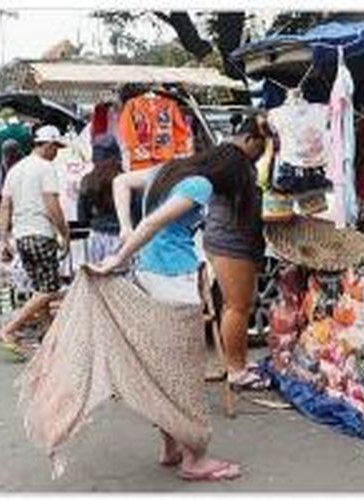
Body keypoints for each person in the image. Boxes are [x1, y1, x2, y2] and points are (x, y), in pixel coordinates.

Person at [86, 116, 267, 481]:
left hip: (149, 273)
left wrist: (124, 229)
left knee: (162, 368)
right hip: (173, 277)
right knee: (183, 371)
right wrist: (118, 255)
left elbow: (121, 181)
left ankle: (170, 447)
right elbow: (153, 224)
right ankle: (195, 459)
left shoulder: (169, 169)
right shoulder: (200, 184)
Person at [203, 115, 272, 390]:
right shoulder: (233, 160)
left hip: (225, 238)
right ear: (249, 139)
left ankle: (236, 362)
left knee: (235, 306)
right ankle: (236, 370)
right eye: (259, 147)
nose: (259, 154)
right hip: (230, 241)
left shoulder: (226, 156)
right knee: (237, 307)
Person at [0, 125, 70, 355]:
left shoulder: (15, 170)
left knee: (40, 288)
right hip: (40, 234)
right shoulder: (46, 168)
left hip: (22, 237)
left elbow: (5, 205)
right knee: (50, 289)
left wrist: (4, 238)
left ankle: (49, 337)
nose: (56, 152)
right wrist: (64, 233)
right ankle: (10, 328)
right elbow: (51, 204)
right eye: (55, 147)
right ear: (47, 144)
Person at [77, 134, 123, 263]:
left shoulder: (87, 181)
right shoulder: (125, 180)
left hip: (96, 237)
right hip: (121, 239)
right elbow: (137, 214)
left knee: (97, 279)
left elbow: (82, 218)